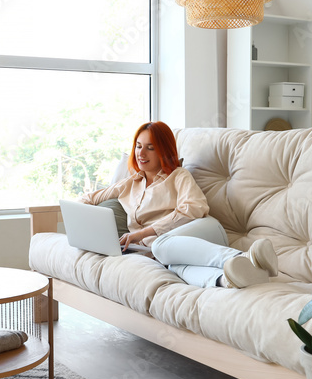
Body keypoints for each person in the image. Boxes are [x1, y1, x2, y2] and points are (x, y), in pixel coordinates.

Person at [79, 121, 278, 288]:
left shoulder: (177, 176)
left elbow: (195, 207)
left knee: (161, 246)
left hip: (204, 229)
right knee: (175, 267)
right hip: (167, 251)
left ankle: (246, 256)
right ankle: (229, 279)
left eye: (150, 148)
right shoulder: (128, 184)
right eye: (138, 146)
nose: (142, 153)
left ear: (164, 151)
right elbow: (87, 200)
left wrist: (142, 234)